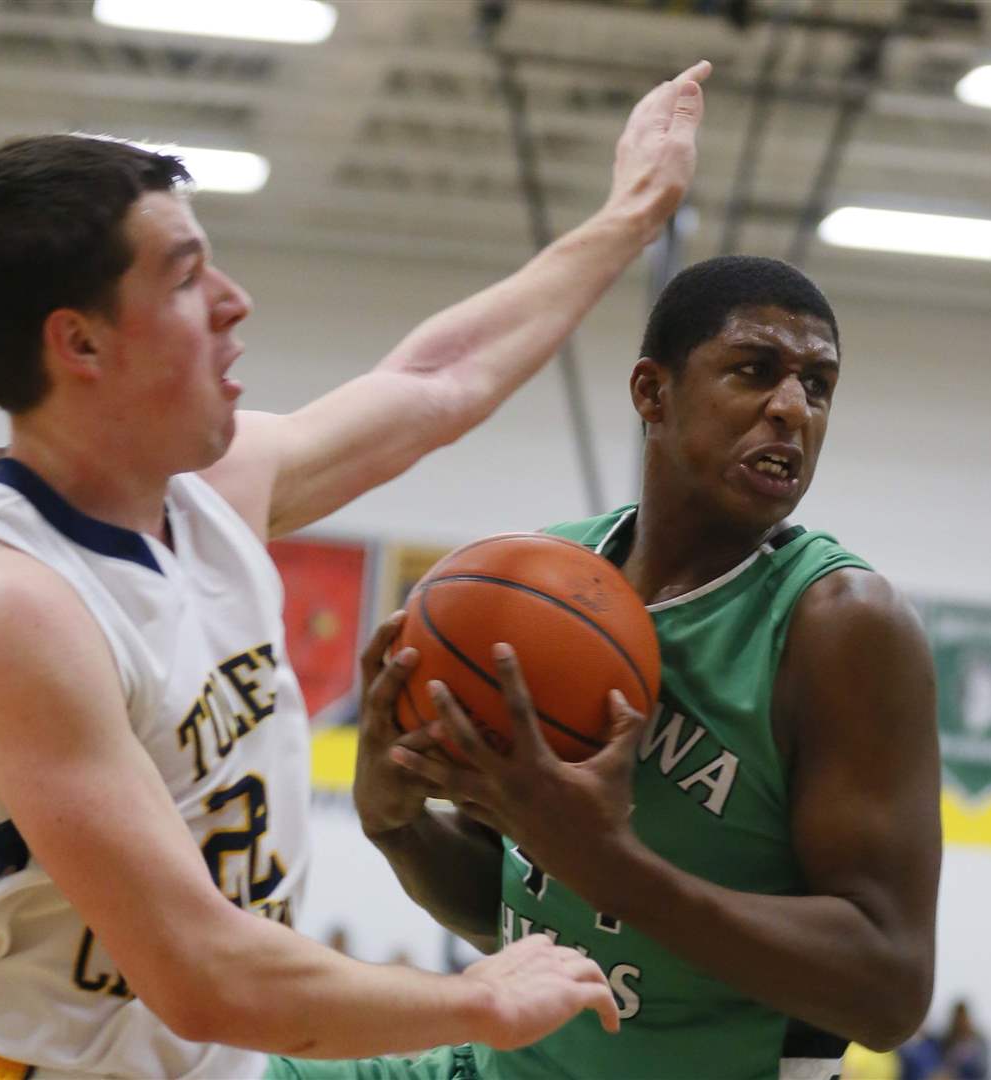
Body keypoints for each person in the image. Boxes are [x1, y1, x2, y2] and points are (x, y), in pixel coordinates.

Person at [0, 62, 711, 1080]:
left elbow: (439, 377)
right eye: (186, 278)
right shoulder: (8, 605)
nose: (233, 302)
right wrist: (479, 1000)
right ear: (78, 342)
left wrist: (631, 215)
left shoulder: (216, 492)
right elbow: (203, 972)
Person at [332, 254, 943, 1080]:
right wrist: (397, 826)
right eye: (755, 370)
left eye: (818, 385)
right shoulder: (545, 578)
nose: (793, 408)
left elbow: (889, 992)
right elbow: (502, 910)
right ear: (652, 392)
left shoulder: (842, 625)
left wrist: (612, 869)